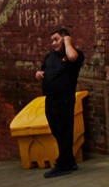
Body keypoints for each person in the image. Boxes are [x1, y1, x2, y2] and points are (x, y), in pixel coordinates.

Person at [34, 27, 83, 177]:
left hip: (65, 100)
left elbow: (72, 57)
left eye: (56, 39)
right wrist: (39, 75)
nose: (53, 44)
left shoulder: (73, 55)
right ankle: (69, 161)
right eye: (52, 41)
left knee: (64, 131)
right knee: (56, 130)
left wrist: (67, 41)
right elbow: (43, 71)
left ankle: (63, 164)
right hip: (50, 99)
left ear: (65, 39)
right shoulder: (50, 57)